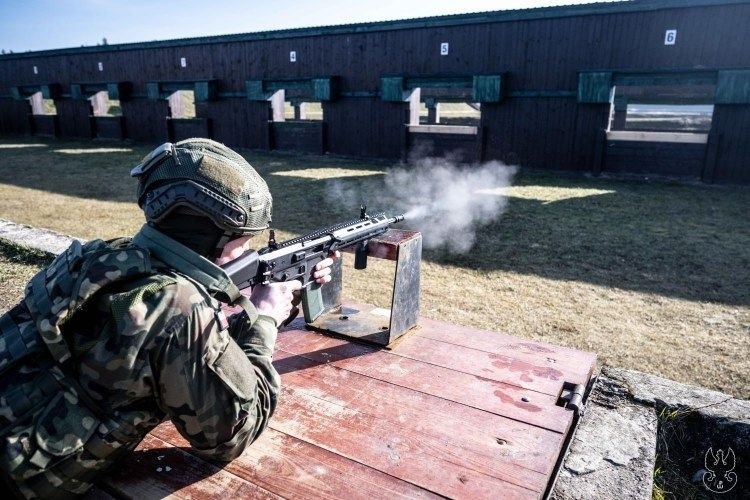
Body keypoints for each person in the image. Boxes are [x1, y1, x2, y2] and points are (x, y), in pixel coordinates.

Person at [0, 138, 337, 498]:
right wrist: (265, 318)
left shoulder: (104, 258)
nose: (248, 252)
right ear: (209, 240)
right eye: (241, 244)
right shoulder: (179, 307)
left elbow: (147, 347)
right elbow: (231, 434)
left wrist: (237, 316)